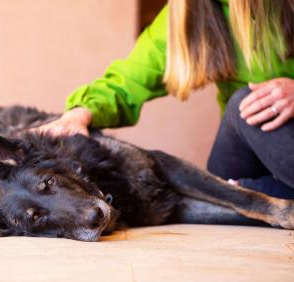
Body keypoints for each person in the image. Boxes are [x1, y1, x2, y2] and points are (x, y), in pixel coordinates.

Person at [36, 0, 294, 199]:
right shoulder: (188, 14)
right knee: (244, 105)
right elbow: (127, 81)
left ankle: (257, 193)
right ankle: (251, 192)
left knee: (247, 106)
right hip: (243, 156)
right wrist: (79, 113)